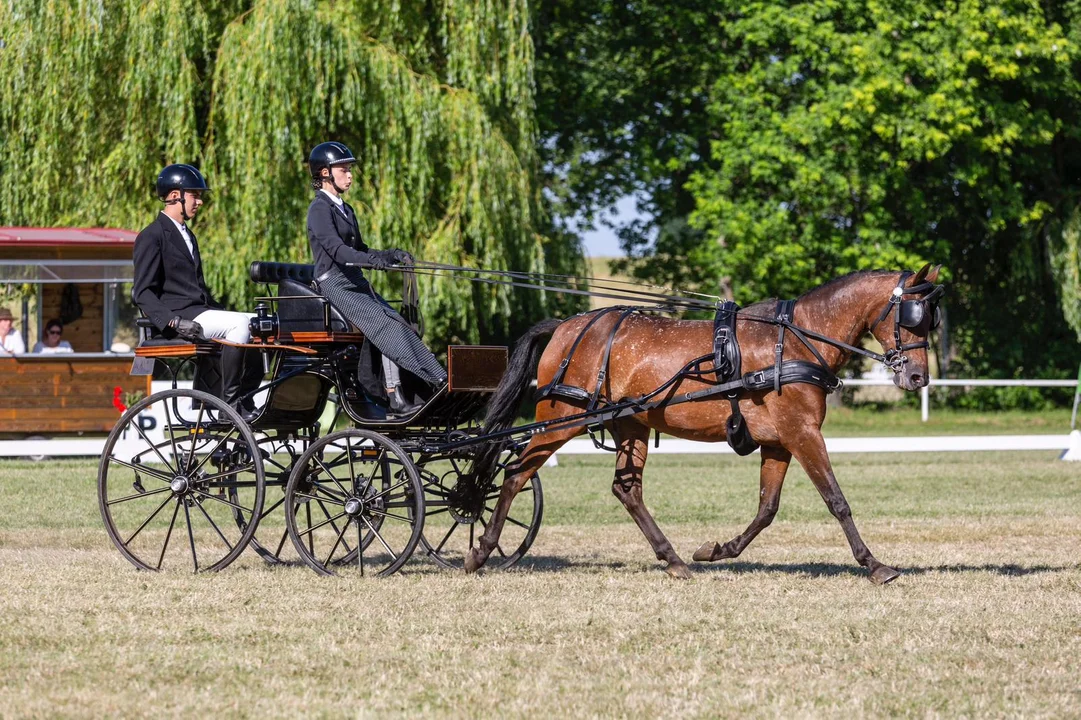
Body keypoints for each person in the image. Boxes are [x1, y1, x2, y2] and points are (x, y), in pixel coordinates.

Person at [306, 141, 447, 416]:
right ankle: (395, 396)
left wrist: (387, 255)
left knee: (399, 322)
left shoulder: (346, 209)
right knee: (384, 327)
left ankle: (438, 379)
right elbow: (338, 251)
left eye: (349, 170)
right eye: (343, 169)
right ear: (325, 173)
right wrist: (373, 262)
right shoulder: (319, 209)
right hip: (334, 283)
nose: (350, 175)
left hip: (354, 281)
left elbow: (358, 249)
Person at [132, 164, 261, 418]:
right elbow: (142, 292)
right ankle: (230, 405)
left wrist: (219, 309)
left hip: (200, 312)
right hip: (181, 317)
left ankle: (245, 397)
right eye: (195, 195)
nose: (199, 201)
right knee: (238, 325)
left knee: (258, 324)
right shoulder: (151, 235)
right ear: (174, 195)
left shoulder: (189, 236)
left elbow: (198, 289)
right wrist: (174, 321)